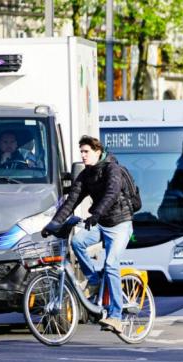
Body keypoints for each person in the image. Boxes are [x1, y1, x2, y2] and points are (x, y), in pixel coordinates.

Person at [42, 135, 133, 333]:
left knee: (110, 264)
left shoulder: (112, 169)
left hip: (120, 224)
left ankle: (116, 316)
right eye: (81, 152)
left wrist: (97, 213)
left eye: (86, 152)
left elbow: (112, 192)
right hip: (100, 224)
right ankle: (94, 280)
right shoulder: (86, 175)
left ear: (97, 152)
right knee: (78, 242)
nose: (83, 156)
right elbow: (71, 202)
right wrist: (54, 224)